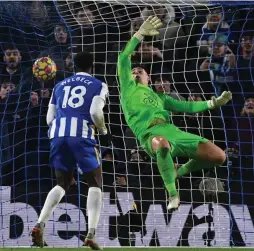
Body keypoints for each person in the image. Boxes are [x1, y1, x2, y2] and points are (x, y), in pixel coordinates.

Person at [117, 16, 232, 210]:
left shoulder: (160, 97)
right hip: (150, 136)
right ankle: (173, 194)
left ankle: (180, 170)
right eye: (133, 71)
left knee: (219, 157)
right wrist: (138, 35)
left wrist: (213, 103)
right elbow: (123, 57)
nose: (136, 72)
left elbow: (187, 107)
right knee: (161, 143)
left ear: (149, 77)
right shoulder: (128, 88)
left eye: (140, 71)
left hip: (173, 131)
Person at [31, 51, 108, 250]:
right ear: (92, 66)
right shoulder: (99, 85)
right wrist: (102, 129)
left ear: (73, 66)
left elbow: (49, 119)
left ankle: (40, 224)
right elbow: (95, 112)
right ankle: (91, 233)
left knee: (62, 183)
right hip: (81, 133)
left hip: (57, 133)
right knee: (95, 182)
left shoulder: (59, 85)